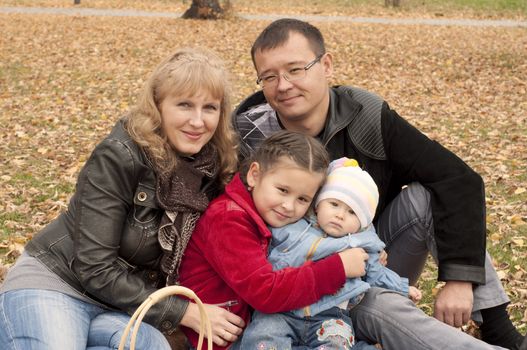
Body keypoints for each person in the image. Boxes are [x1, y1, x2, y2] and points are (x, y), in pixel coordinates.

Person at [233, 18, 524, 349]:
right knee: (375, 303)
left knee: (423, 198)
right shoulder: (246, 135)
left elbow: (457, 178)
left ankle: (499, 330)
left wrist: (460, 278)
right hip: (291, 274)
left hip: (371, 256)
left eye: (296, 69)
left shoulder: (365, 115)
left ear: (326, 65)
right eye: (269, 76)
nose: (283, 85)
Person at [0, 47, 245, 350]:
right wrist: (184, 312)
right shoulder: (121, 155)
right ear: (158, 107)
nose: (198, 121)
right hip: (60, 285)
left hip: (120, 306)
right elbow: (94, 267)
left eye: (210, 107)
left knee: (153, 346)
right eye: (184, 104)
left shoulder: (215, 167)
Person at [178, 130, 506, 350]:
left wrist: (367, 257)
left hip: (295, 318)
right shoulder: (231, 218)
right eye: (282, 191)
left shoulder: (268, 211)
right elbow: (266, 292)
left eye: (303, 199)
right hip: (230, 336)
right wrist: (339, 266)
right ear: (253, 175)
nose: (289, 206)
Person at [239, 157, 422, 349]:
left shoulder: (362, 245)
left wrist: (402, 287)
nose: (340, 215)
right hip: (281, 311)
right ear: (317, 204)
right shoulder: (291, 224)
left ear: (363, 223)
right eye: (334, 204)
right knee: (262, 338)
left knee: (336, 343)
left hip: (330, 315)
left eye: (352, 212)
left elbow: (377, 273)